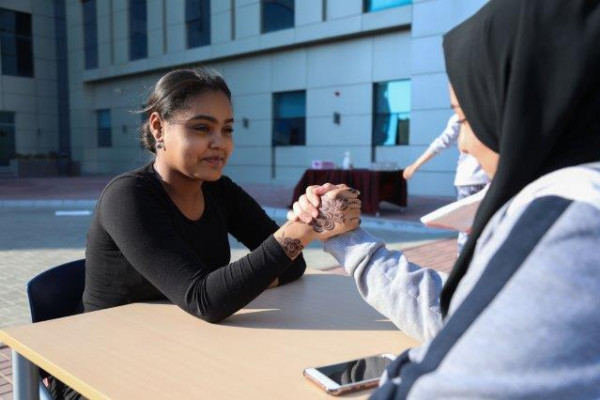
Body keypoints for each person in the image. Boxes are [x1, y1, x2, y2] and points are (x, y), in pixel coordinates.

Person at [290, 0, 600, 397]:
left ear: (524, 104)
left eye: (468, 118)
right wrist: (344, 239)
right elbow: (466, 318)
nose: (465, 144)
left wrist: (402, 374)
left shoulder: (568, 224)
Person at [49, 68, 361, 399]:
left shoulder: (219, 191)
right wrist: (306, 225)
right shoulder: (127, 198)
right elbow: (205, 300)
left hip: (179, 349)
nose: (219, 143)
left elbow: (291, 265)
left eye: (226, 130)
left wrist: (232, 285)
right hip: (101, 369)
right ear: (158, 127)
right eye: (201, 128)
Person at [402, 113, 490, 253]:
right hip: (472, 181)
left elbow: (441, 142)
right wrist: (415, 165)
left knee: (471, 230)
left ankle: (467, 267)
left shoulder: (464, 113)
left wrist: (415, 165)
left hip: (477, 180)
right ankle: (466, 267)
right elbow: (442, 142)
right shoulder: (465, 114)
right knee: (477, 230)